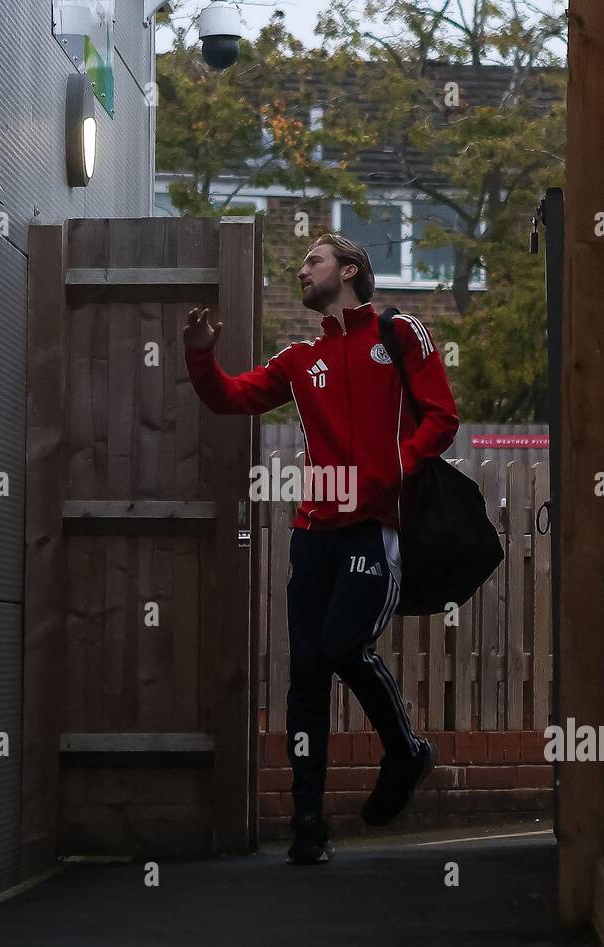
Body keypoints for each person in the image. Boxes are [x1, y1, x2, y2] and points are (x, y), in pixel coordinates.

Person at [183, 233, 460, 864]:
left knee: (343, 647)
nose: (300, 269)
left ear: (351, 269)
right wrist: (202, 358)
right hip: (312, 534)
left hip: (373, 529)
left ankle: (406, 752)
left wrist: (395, 467)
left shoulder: (401, 333)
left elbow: (442, 418)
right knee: (305, 675)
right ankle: (309, 824)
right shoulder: (299, 358)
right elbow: (231, 397)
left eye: (313, 260)